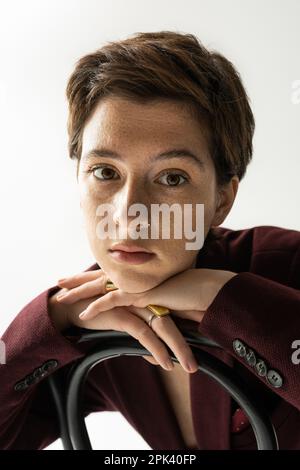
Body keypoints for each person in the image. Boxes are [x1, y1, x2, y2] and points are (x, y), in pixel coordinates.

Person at [1, 31, 299, 450]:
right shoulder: (90, 322)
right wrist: (47, 323)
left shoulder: (288, 267)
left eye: (172, 178)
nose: (129, 213)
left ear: (221, 200)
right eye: (105, 172)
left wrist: (231, 304)